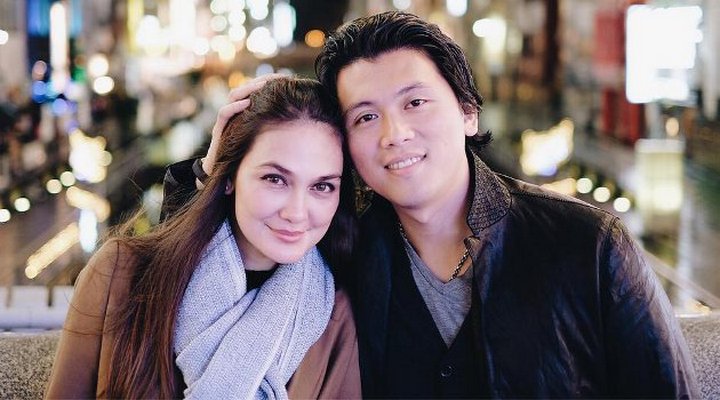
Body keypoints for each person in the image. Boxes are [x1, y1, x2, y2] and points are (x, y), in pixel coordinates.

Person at [162, 11, 699, 399]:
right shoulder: (339, 245)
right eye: (365, 117)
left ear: (467, 111)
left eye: (415, 102)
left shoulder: (588, 246)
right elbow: (204, 281)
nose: (394, 133)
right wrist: (213, 169)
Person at [45, 77, 361, 399]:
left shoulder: (334, 316)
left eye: (322, 186)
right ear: (229, 177)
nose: (297, 212)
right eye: (275, 179)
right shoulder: (120, 275)